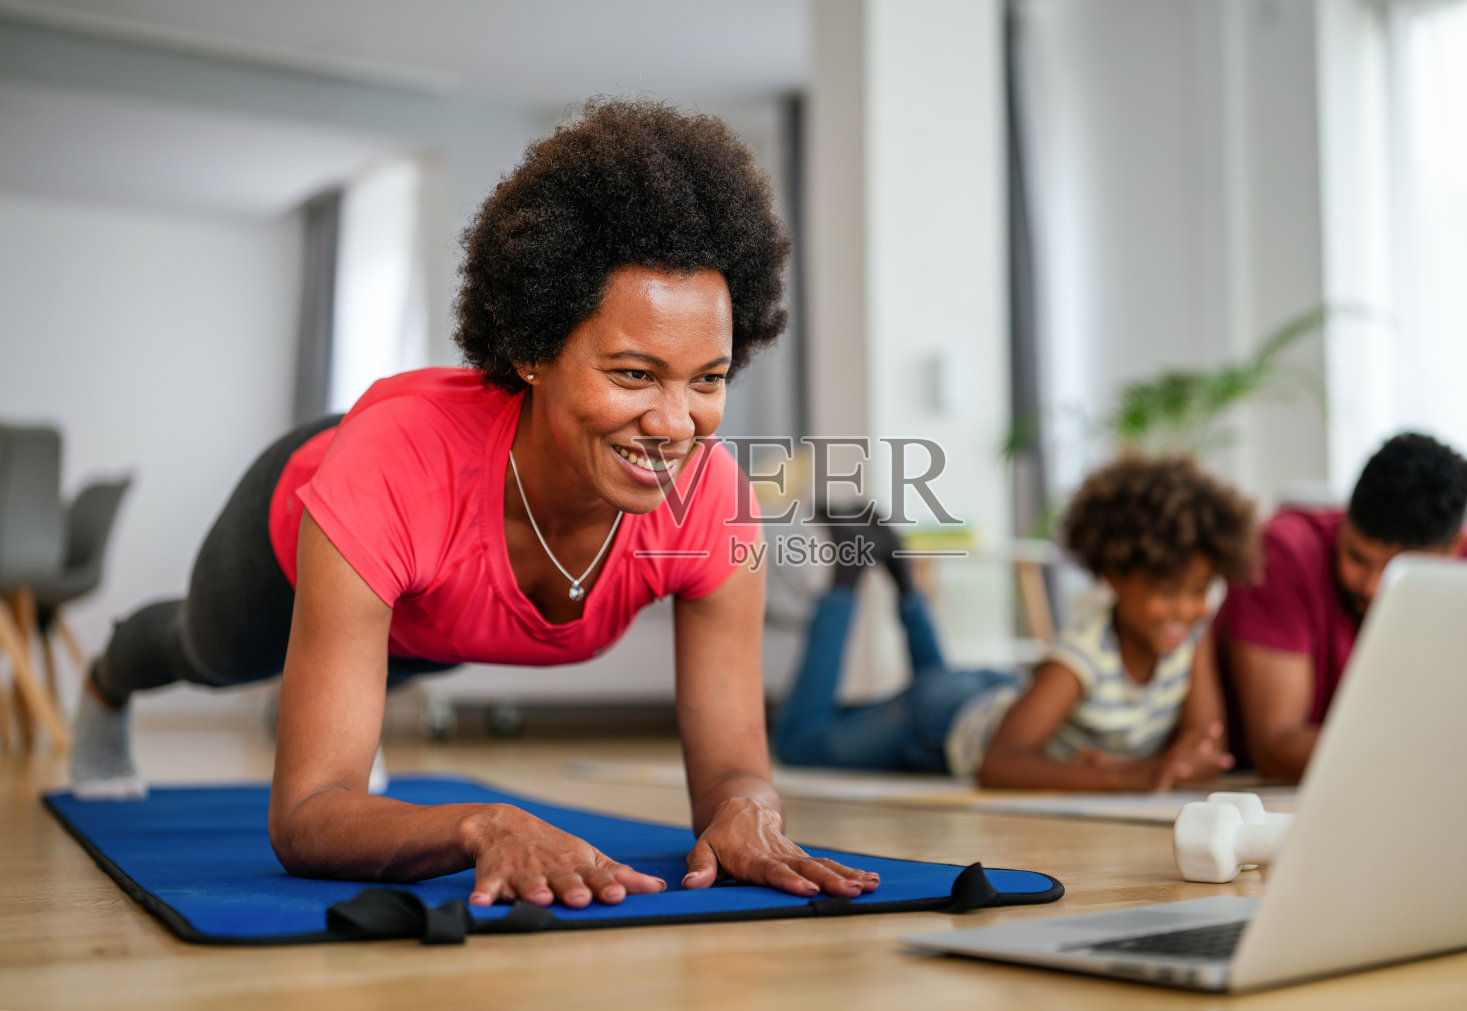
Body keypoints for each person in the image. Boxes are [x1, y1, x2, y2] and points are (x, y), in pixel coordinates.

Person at [68, 98, 878, 909]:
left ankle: (341, 687)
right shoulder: (395, 466)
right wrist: (479, 824)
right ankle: (110, 675)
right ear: (531, 349)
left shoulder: (711, 501)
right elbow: (307, 818)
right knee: (209, 654)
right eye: (633, 373)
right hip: (307, 516)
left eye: (706, 379)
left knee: (394, 663)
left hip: (436, 604)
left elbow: (737, 766)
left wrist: (748, 810)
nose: (675, 424)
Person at [772, 454, 1260, 792]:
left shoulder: (1190, 640)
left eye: (1200, 591)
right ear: (1115, 574)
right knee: (799, 743)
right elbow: (999, 763)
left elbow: (1202, 749)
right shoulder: (1082, 657)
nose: (1186, 610)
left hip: (992, 693)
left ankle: (902, 575)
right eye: (1167, 590)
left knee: (934, 683)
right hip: (941, 721)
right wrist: (1128, 775)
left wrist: (1173, 764)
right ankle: (847, 576)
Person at [1216, 432, 1467, 781]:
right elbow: (1276, 748)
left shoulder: (1466, 563)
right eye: (1357, 556)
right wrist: (1434, 751)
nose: (1372, 587)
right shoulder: (1283, 552)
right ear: (1345, 520)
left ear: (1455, 548)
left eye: (1398, 571)